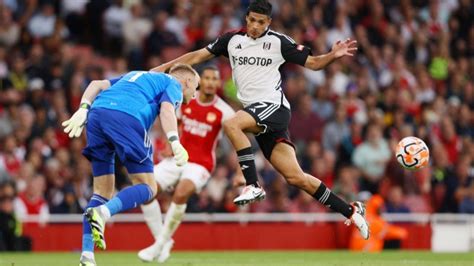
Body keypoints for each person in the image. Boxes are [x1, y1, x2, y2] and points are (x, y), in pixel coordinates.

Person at [151, 0, 369, 240]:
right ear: (246, 18)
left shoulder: (278, 42)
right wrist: (163, 67)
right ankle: (351, 210)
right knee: (296, 177)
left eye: (261, 22)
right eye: (252, 20)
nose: (255, 26)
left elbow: (314, 64)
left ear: (269, 23)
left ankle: (252, 184)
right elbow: (197, 55)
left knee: (231, 123)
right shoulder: (231, 40)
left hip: (274, 108)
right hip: (257, 112)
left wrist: (332, 55)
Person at [61, 64, 200, 266]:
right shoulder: (173, 83)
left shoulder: (135, 75)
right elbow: (167, 110)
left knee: (101, 191)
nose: (194, 95)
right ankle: (103, 213)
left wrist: (83, 108)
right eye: (195, 87)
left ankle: (87, 256)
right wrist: (175, 141)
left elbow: (96, 84)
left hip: (97, 115)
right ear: (187, 81)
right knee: (149, 187)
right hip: (126, 118)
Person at [137, 66, 235, 263]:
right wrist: (168, 145)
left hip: (201, 163)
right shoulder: (186, 98)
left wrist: (241, 172)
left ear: (218, 83)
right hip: (177, 158)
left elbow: (237, 140)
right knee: (144, 190)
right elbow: (174, 121)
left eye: (213, 79)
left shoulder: (224, 111)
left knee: (181, 193)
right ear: (200, 80)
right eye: (206, 78)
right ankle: (163, 242)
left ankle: (158, 245)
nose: (209, 82)